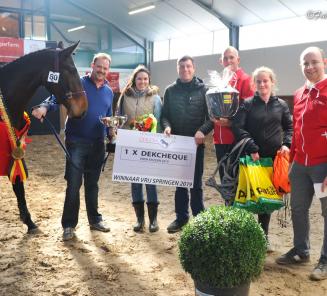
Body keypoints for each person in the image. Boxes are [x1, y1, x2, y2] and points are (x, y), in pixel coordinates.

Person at [32, 53, 113, 241]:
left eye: (105, 68)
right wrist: (44, 107)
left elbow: (109, 116)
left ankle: (95, 220)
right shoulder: (80, 83)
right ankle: (69, 225)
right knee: (74, 185)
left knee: (92, 185)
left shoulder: (109, 92)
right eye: (99, 66)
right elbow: (56, 97)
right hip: (76, 142)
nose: (101, 71)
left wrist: (111, 129)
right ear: (93, 65)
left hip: (98, 143)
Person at [276, 46, 327, 281]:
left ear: (324, 62)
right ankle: (301, 251)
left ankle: (325, 261)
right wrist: (292, 161)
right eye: (305, 64)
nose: (309, 67)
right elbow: (297, 131)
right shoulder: (299, 94)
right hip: (300, 164)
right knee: (298, 209)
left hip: (323, 165)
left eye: (314, 62)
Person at [231, 66, 293, 251]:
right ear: (254, 84)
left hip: (272, 160)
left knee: (265, 200)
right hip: (252, 159)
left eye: (266, 81)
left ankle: (263, 237)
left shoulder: (281, 105)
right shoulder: (247, 104)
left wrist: (286, 144)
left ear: (272, 82)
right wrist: (252, 147)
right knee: (249, 198)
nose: (263, 84)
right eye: (259, 81)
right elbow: (237, 128)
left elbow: (289, 127)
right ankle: (245, 237)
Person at [161, 55, 213, 233]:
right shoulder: (170, 91)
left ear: (194, 68)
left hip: (195, 144)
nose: (185, 69)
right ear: (178, 69)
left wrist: (202, 131)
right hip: (176, 144)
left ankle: (199, 218)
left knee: (196, 183)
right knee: (180, 183)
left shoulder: (204, 90)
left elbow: (212, 118)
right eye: (182, 66)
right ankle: (181, 218)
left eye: (188, 66)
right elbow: (164, 116)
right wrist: (167, 127)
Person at [117, 65, 162, 233]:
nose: (142, 81)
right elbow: (119, 119)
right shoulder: (124, 97)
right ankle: (139, 219)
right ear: (134, 80)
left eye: (145, 79)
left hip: (149, 145)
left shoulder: (155, 98)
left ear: (148, 80)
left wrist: (152, 141)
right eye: (139, 78)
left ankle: (153, 220)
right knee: (135, 183)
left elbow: (157, 121)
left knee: (151, 182)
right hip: (130, 145)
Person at [213, 46, 254, 181]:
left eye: (231, 57)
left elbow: (248, 110)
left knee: (236, 180)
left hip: (236, 139)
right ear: (221, 61)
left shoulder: (246, 79)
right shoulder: (219, 82)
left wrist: (231, 123)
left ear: (238, 59)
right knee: (224, 179)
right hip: (219, 139)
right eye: (225, 58)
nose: (229, 60)